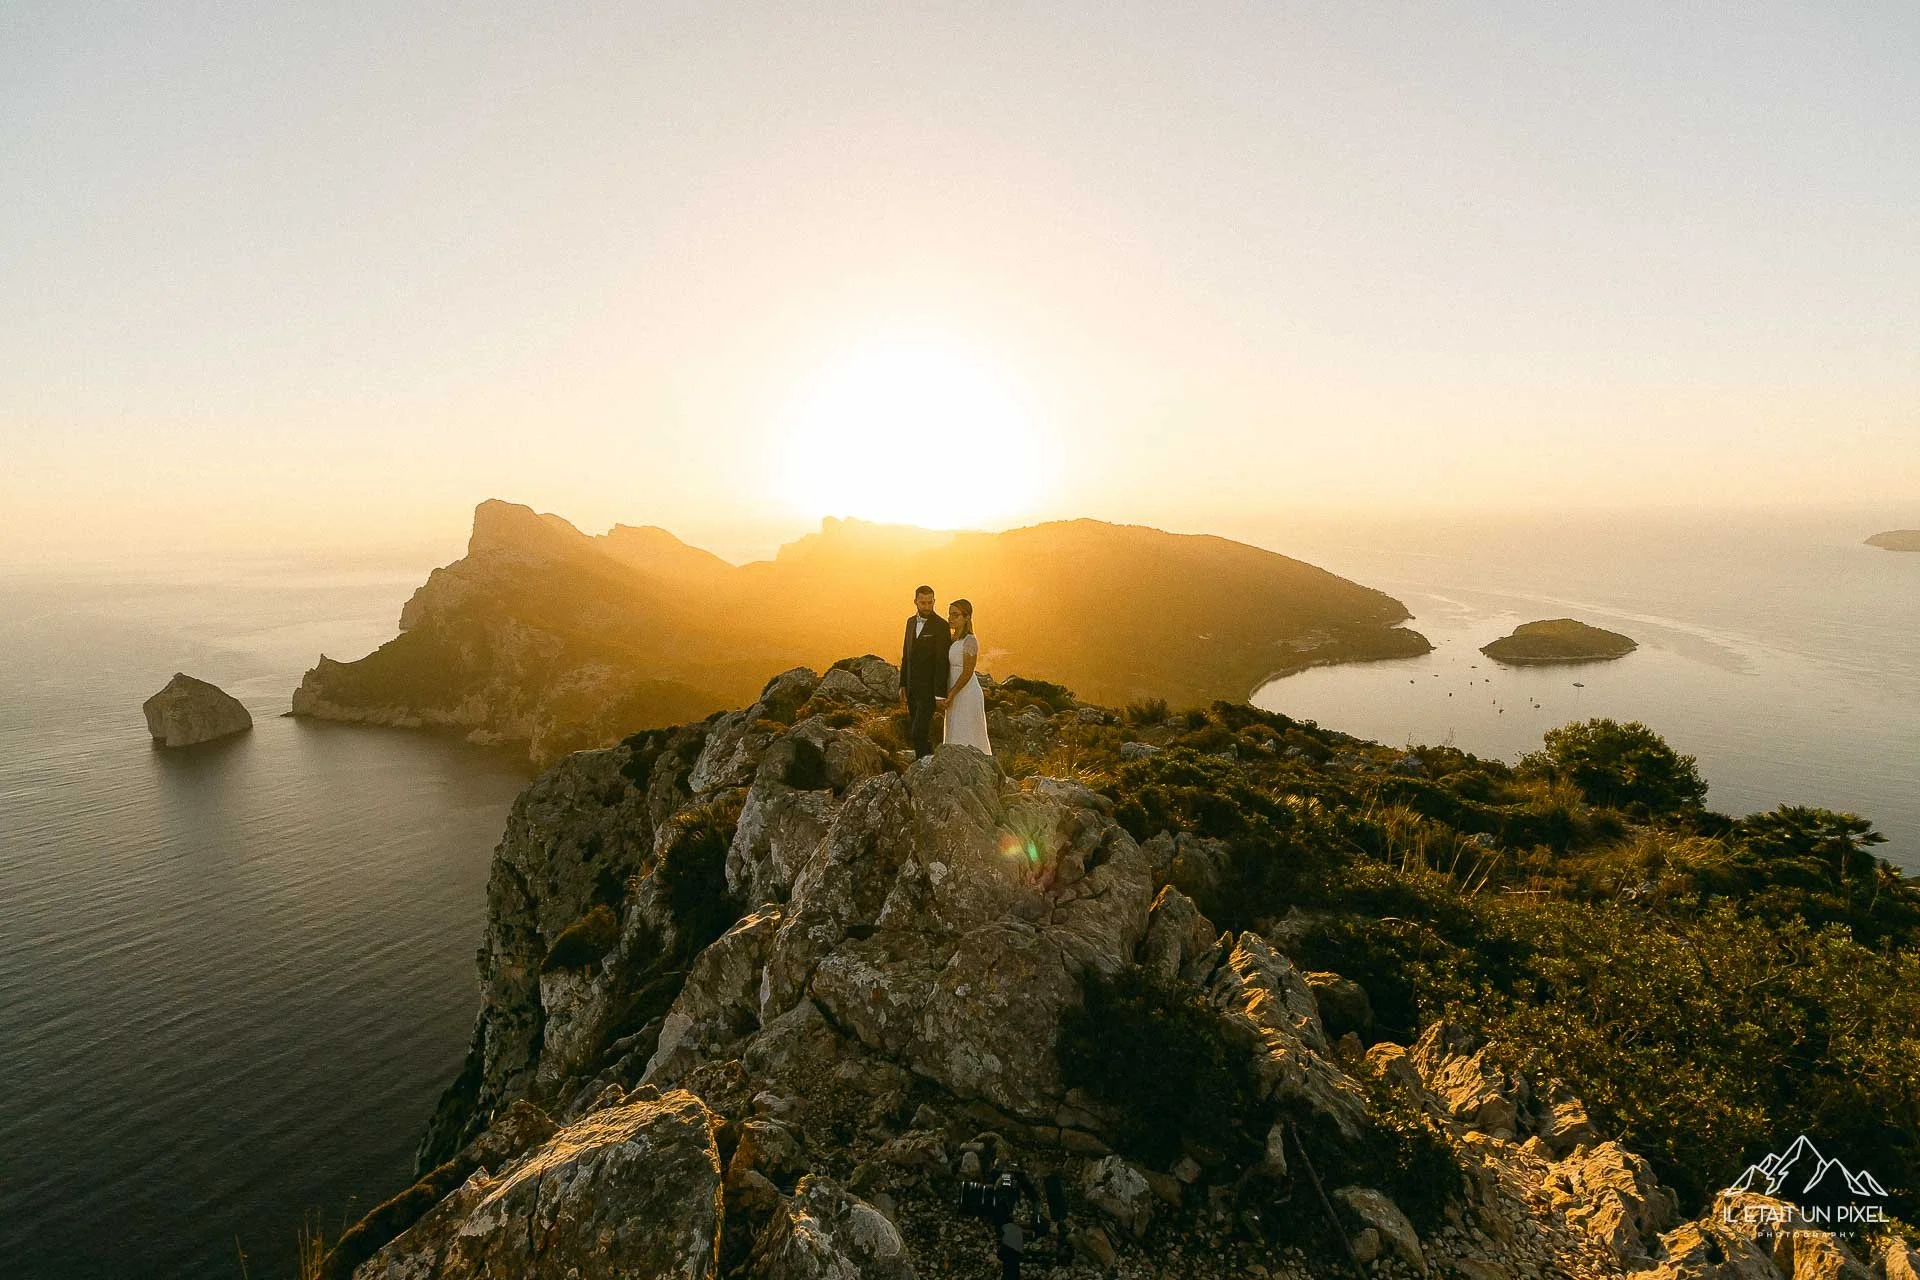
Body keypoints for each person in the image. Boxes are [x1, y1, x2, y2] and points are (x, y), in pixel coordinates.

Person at [899, 585, 951, 758]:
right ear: (915, 602)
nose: (927, 606)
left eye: (930, 602)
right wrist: (903, 684)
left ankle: (924, 765)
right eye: (923, 603)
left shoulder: (941, 626)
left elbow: (942, 661)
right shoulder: (910, 622)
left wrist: (939, 694)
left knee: (918, 732)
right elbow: (906, 655)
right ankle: (924, 763)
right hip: (912, 689)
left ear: (934, 601)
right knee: (918, 732)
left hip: (929, 691)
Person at [937, 598, 991, 755]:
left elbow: (968, 671)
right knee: (954, 729)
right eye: (949, 615)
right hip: (953, 691)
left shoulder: (970, 641)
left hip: (966, 693)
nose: (950, 619)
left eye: (955, 615)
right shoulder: (952, 639)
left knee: (966, 731)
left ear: (966, 617)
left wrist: (952, 692)